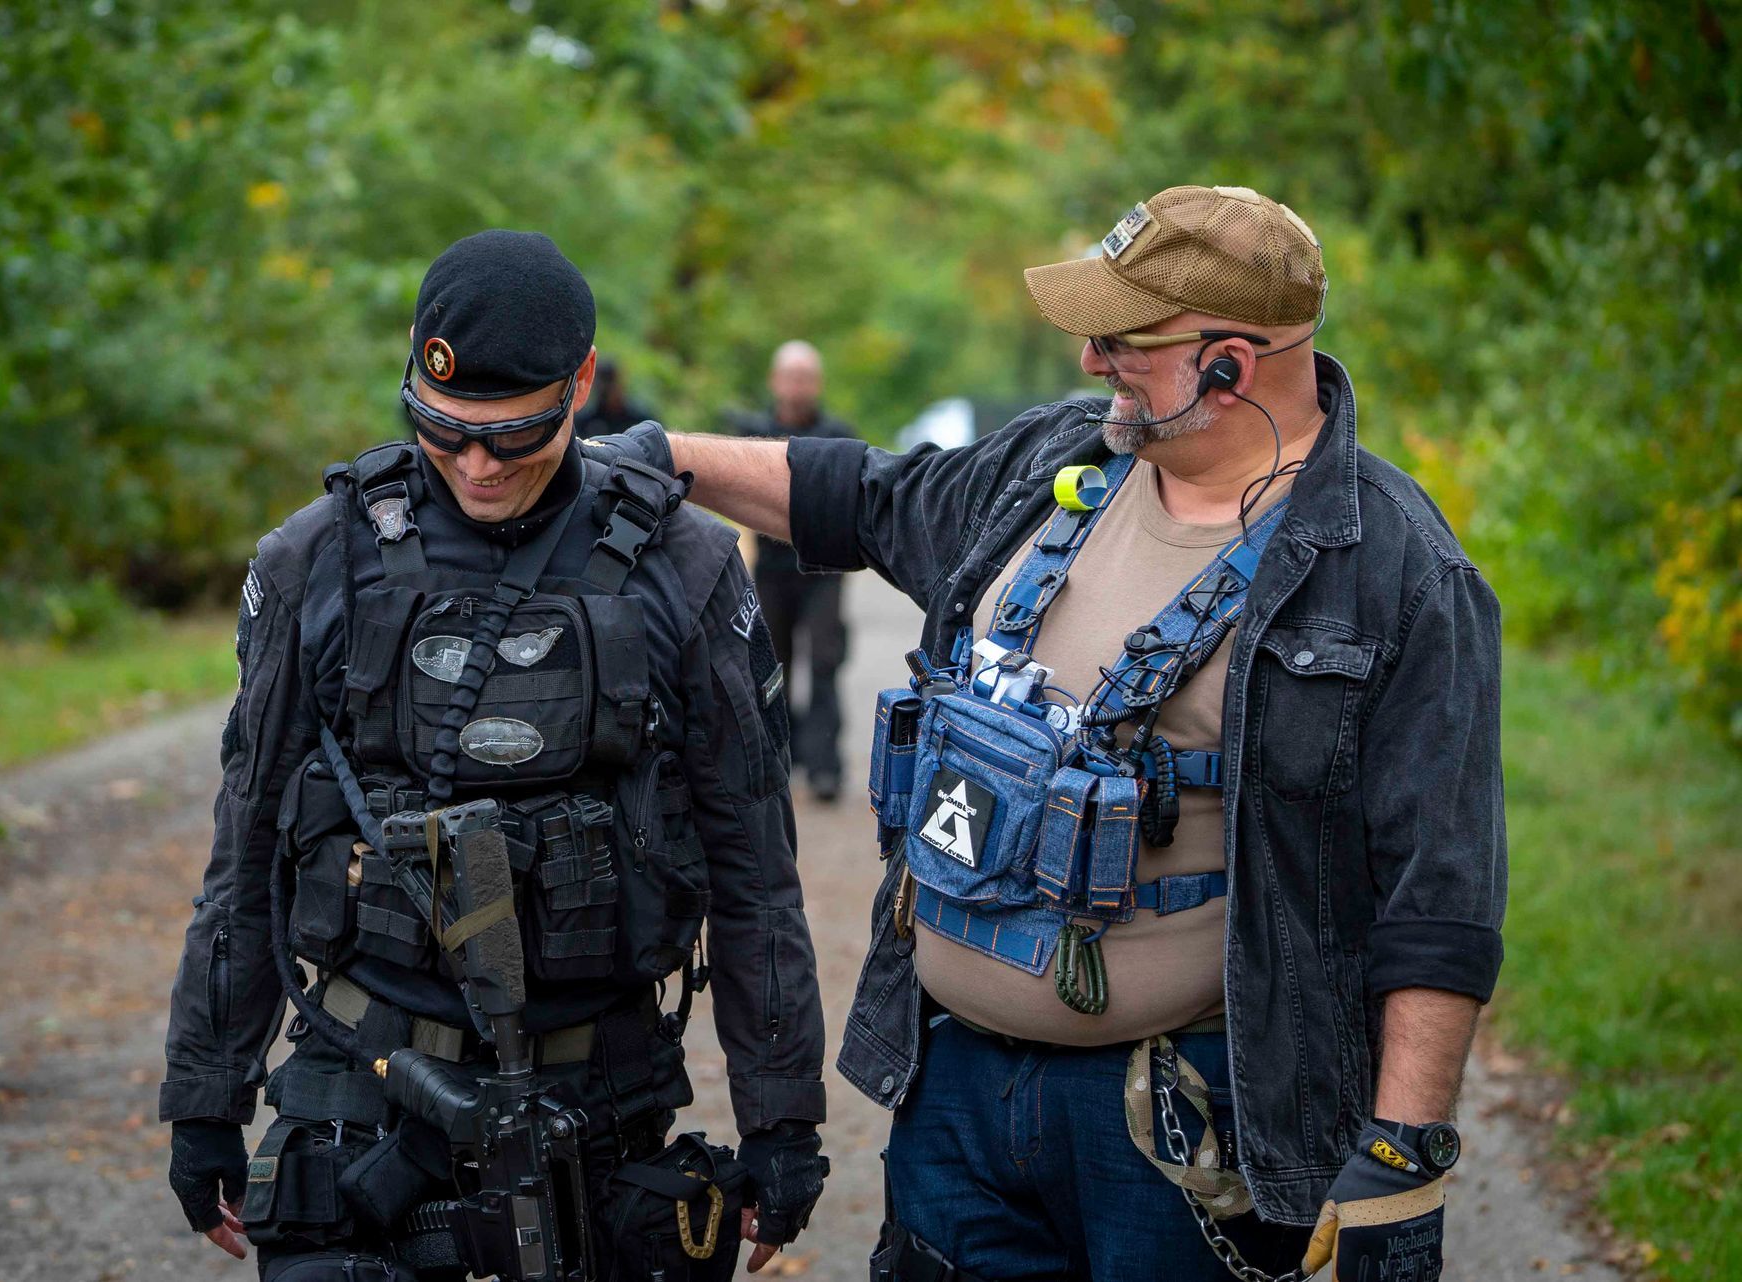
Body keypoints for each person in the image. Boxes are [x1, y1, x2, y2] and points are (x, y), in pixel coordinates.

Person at [597, 186, 1505, 1282]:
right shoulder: (1055, 461)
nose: (1089, 359)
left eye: (1123, 339)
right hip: (955, 1098)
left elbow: (1439, 894)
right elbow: (860, 496)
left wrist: (1402, 1152)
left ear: (1229, 363)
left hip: (1184, 1131)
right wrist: (653, 458)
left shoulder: (1398, 572)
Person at [159, 230, 829, 1281]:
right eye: (442, 429)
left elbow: (753, 867)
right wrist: (206, 1100)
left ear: (581, 385)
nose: (477, 466)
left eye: (515, 435)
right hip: (360, 1093)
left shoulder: (685, 566)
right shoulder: (316, 559)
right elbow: (244, 852)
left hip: (593, 1110)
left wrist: (782, 1121)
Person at [731, 341, 856, 803]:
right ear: (775, 381)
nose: (797, 386)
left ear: (816, 384)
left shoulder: (838, 436)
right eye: (791, 377)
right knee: (771, 665)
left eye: (805, 378)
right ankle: (777, 760)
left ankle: (824, 767)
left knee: (824, 661)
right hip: (772, 570)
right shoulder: (754, 435)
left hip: (825, 568)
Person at [572, 356, 657, 440]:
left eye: (610, 384)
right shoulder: (585, 421)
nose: (607, 390)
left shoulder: (640, 419)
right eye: (602, 385)